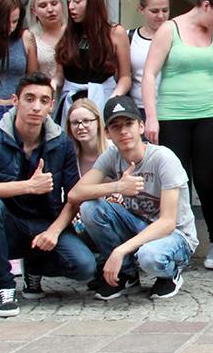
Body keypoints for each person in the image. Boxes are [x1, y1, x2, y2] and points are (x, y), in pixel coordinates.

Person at [0, 72, 96, 317]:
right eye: (29, 99)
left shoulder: (61, 143)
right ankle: (4, 287)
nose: (36, 107)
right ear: (15, 101)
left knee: (84, 266)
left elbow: (74, 196)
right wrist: (27, 186)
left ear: (51, 106)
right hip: (7, 228)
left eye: (44, 101)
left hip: (45, 225)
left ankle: (34, 264)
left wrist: (54, 231)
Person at [142, 0, 213, 272]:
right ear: (205, 5)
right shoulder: (169, 30)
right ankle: (178, 243)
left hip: (209, 116)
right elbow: (149, 74)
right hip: (171, 117)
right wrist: (151, 116)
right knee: (178, 183)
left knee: (206, 181)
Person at [71, 96, 198, 300]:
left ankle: (169, 275)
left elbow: (167, 223)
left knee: (149, 256)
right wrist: (117, 187)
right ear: (107, 133)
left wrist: (120, 251)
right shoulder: (112, 155)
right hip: (138, 226)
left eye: (129, 124)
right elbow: (75, 194)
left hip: (175, 235)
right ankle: (127, 276)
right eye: (115, 126)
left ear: (141, 126)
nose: (123, 131)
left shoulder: (163, 158)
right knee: (89, 208)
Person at [55, 0, 131, 123]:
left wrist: (113, 99)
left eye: (77, 1)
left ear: (92, 3)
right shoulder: (65, 31)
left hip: (103, 99)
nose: (71, 7)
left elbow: (125, 77)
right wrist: (51, 85)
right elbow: (60, 75)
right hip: (72, 104)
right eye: (69, 1)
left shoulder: (115, 33)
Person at [128, 0, 170, 118]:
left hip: (172, 107)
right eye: (154, 11)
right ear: (142, 9)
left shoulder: (178, 36)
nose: (161, 16)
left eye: (165, 10)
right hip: (139, 107)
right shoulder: (130, 37)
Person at [27, 0, 67, 85]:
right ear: (34, 11)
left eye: (54, 3)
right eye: (43, 6)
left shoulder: (73, 33)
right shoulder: (31, 39)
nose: (50, 9)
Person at [65, 98, 109, 177]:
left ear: (98, 122)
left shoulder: (114, 150)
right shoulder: (68, 157)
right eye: (75, 122)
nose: (80, 127)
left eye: (86, 121)